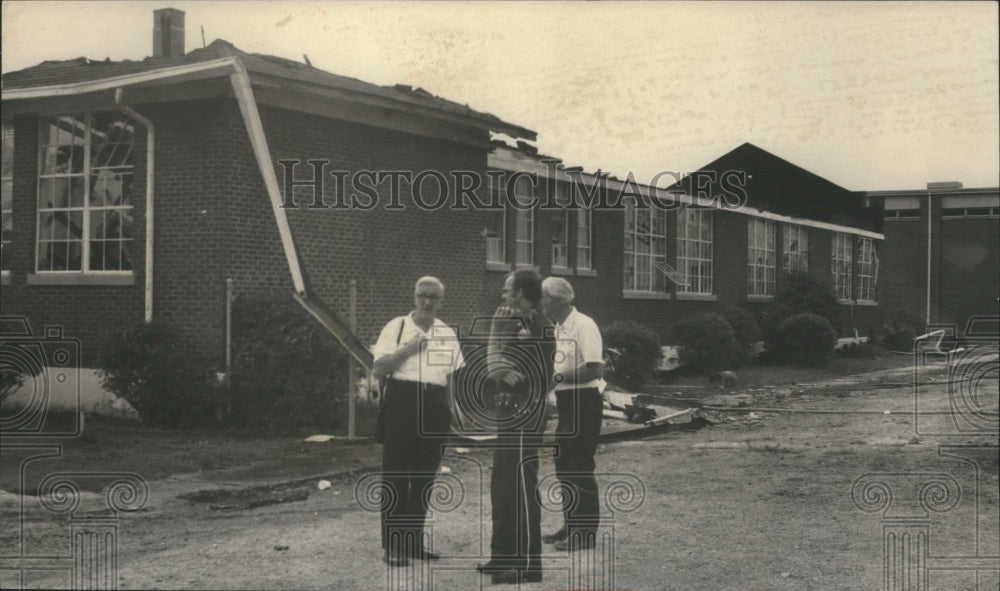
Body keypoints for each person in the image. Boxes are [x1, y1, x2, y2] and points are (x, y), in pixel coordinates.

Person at [371, 276, 465, 567]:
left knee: (425, 478)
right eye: (422, 295)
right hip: (402, 402)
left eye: (433, 297)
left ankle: (412, 542)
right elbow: (378, 369)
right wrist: (409, 349)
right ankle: (393, 546)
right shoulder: (396, 327)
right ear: (414, 296)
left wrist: (452, 411)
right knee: (397, 476)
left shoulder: (447, 333)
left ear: (441, 301)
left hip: (435, 407)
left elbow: (450, 377)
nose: (427, 302)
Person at [476, 270, 554, 585]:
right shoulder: (525, 325)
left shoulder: (534, 328)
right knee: (503, 484)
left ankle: (528, 564)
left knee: (520, 486)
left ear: (520, 293)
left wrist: (495, 330)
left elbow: (494, 368)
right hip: (513, 413)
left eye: (508, 290)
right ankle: (503, 555)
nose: (503, 296)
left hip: (525, 414)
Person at [540, 277, 605, 552]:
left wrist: (558, 376)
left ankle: (585, 533)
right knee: (564, 464)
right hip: (568, 402)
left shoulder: (583, 325)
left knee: (579, 464)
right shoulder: (559, 327)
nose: (541, 303)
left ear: (557, 301)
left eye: (543, 298)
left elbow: (595, 369)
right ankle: (571, 525)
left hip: (584, 402)